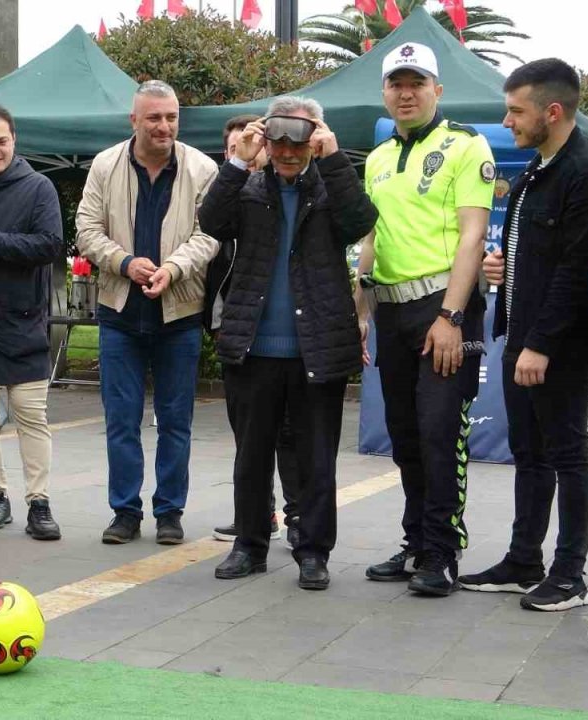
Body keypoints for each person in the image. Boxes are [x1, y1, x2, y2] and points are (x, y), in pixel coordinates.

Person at [458, 60, 588, 612]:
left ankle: (569, 575)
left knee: (568, 453)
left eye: (516, 111)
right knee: (530, 453)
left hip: (560, 346)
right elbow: (545, 256)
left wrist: (542, 345)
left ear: (553, 111)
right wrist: (509, 266)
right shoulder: (535, 170)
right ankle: (524, 560)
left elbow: (579, 271)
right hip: (523, 333)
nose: (507, 122)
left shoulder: (587, 174)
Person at [199, 98, 376, 589]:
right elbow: (211, 220)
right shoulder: (250, 188)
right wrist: (238, 160)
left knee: (317, 458)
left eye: (298, 140)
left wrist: (335, 157)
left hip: (316, 347)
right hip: (253, 347)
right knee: (250, 456)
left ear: (315, 138)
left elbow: (361, 221)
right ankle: (250, 545)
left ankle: (313, 550)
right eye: (277, 140)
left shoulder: (329, 189)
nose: (287, 151)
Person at [355, 42, 494, 597]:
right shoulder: (377, 158)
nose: (406, 93)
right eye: (396, 83)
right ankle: (415, 541)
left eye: (417, 83)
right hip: (390, 309)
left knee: (440, 433)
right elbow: (371, 241)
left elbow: (473, 234)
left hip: (443, 307)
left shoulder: (465, 144)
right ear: (385, 91)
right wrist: (358, 310)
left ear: (437, 89)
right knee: (405, 435)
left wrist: (452, 316)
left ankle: (441, 551)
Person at [75, 80, 217, 545]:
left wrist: (173, 269)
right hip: (119, 312)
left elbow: (210, 234)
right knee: (121, 419)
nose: (164, 126)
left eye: (171, 117)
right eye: (153, 117)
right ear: (133, 121)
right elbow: (86, 228)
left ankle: (170, 512)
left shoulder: (202, 168)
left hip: (179, 315)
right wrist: (123, 262)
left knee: (176, 420)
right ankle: (125, 511)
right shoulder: (104, 165)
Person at [0, 103, 65, 541]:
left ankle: (39, 503)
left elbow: (49, 245)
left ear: (14, 140)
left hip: (23, 321)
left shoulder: (39, 187)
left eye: (2, 141)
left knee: (30, 414)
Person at [208, 113, 298, 547]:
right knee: (249, 441)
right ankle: (257, 520)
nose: (242, 152)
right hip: (240, 333)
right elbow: (208, 222)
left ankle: (298, 519)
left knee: (292, 440)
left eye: (250, 143)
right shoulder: (234, 192)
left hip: (293, 342)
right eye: (232, 147)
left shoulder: (299, 191)